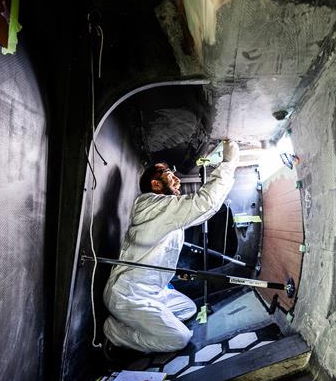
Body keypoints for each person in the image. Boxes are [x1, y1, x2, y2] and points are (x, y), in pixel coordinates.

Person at [102, 140, 240, 353]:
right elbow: (204, 203)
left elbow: (202, 213)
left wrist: (171, 273)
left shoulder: (162, 210)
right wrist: (229, 163)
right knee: (179, 338)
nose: (177, 178)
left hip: (153, 291)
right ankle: (115, 331)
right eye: (169, 173)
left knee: (188, 308)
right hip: (128, 295)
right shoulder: (153, 206)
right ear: (156, 185)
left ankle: (146, 320)